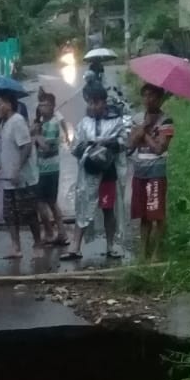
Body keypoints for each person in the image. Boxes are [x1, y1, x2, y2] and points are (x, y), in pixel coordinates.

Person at [63, 84, 127, 262]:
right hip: (89, 171)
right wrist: (88, 145)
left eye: (96, 102)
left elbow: (124, 142)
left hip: (108, 171)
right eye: (90, 102)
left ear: (104, 102)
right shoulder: (84, 123)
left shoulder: (116, 121)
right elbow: (75, 147)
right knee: (83, 206)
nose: (92, 106)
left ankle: (111, 244)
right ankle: (75, 245)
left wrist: (109, 143)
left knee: (108, 209)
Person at [128, 83, 175, 261]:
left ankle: (157, 251)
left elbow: (159, 148)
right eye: (146, 96)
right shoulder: (137, 118)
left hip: (156, 170)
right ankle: (143, 250)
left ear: (160, 99)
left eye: (153, 96)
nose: (149, 100)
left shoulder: (166, 121)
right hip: (140, 171)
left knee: (157, 213)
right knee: (144, 215)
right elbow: (130, 144)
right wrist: (142, 130)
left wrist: (144, 132)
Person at [0, 91, 42, 259]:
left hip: (23, 179)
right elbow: (4, 149)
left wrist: (16, 169)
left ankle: (37, 243)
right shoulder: (5, 123)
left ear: (9, 104)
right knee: (9, 214)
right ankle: (16, 246)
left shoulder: (17, 121)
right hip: (8, 178)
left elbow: (26, 147)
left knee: (29, 213)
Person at [33, 90, 69, 247]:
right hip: (41, 168)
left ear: (53, 107)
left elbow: (48, 148)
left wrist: (36, 135)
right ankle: (59, 232)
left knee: (44, 202)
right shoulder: (42, 122)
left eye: (45, 105)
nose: (42, 108)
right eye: (40, 105)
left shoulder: (53, 124)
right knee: (48, 202)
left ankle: (51, 232)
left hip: (49, 169)